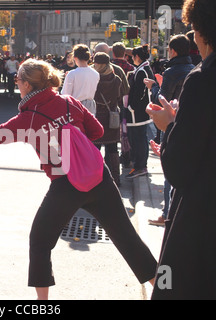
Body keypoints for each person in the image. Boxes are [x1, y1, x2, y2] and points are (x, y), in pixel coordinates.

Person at [0, 59, 157, 300]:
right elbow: (97, 131)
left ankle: (42, 303)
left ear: (25, 84)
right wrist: (72, 140)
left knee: (40, 241)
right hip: (99, 177)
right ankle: (167, 288)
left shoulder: (28, 119)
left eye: (17, 80)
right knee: (128, 239)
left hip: (65, 184)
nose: (17, 83)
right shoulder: (69, 102)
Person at [147, 0, 216, 299]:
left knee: (172, 282)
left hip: (201, 216)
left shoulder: (202, 79)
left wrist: (169, 126)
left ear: (201, 31)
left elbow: (179, 165)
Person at [143, 34, 195, 226]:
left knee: (168, 167)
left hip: (170, 124)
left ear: (172, 51)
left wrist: (154, 86)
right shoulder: (193, 69)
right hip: (188, 123)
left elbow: (161, 100)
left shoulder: (172, 71)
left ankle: (166, 214)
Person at [92, 53, 122, 186]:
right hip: (112, 118)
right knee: (113, 148)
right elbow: (119, 98)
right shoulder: (117, 80)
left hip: (97, 117)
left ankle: (94, 179)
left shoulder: (94, 80)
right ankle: (115, 179)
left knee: (94, 150)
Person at [125, 44, 154, 179]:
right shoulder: (144, 68)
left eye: (133, 57)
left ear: (137, 57)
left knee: (139, 138)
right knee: (141, 137)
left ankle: (140, 166)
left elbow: (139, 92)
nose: (132, 60)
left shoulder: (142, 70)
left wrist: (132, 107)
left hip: (137, 112)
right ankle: (140, 165)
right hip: (140, 111)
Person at [61, 44, 99, 115]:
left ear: (75, 58)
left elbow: (66, 94)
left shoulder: (72, 74)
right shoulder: (96, 73)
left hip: (75, 107)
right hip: (91, 107)